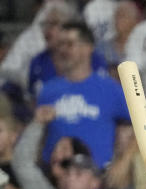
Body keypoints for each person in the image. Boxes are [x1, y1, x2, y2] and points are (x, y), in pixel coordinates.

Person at [37, 21, 130, 169]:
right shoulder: (47, 90)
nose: (63, 50)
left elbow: (142, 124)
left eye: (69, 44)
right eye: (60, 44)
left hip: (97, 178)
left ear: (88, 48)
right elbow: (39, 137)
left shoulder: (110, 88)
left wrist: (124, 161)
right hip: (54, 177)